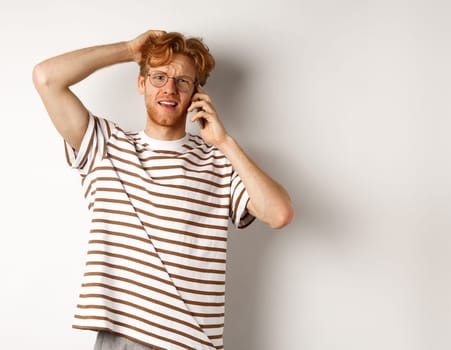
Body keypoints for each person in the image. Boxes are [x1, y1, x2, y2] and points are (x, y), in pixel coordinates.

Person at [32, 30, 294, 350]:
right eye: (158, 77)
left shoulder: (219, 163)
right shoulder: (105, 145)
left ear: (196, 92)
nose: (169, 88)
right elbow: (46, 78)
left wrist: (224, 142)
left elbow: (279, 213)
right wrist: (129, 50)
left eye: (182, 81)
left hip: (193, 343)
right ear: (141, 83)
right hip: (123, 339)